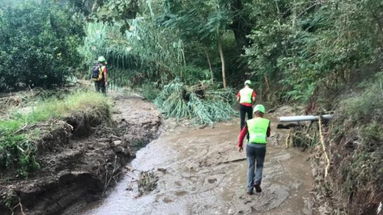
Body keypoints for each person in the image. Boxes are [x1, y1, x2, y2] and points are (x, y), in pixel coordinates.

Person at [237, 104, 271, 195]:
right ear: (263, 113)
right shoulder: (267, 122)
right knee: (259, 166)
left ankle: (249, 189)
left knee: (250, 166)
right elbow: (268, 134)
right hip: (261, 147)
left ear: (254, 113)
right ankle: (257, 182)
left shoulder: (249, 122)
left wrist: (240, 145)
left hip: (250, 146)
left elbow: (241, 135)